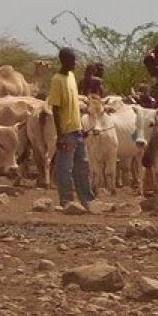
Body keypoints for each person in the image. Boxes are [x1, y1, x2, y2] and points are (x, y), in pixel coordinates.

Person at [46, 47, 94, 212]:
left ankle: (87, 200)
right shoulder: (57, 80)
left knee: (83, 165)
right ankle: (66, 200)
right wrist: (60, 135)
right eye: (72, 60)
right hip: (66, 132)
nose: (75, 63)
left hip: (77, 129)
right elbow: (56, 109)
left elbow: (74, 105)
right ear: (64, 60)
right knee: (65, 167)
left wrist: (81, 126)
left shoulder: (72, 77)